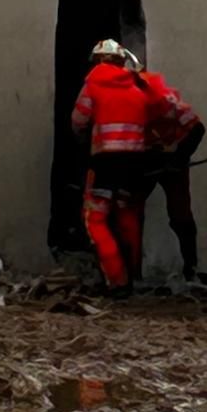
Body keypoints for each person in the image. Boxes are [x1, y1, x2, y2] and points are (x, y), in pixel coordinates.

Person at [71, 39, 162, 297]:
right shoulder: (137, 86)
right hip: (134, 163)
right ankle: (133, 276)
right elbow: (153, 122)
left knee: (96, 219)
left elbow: (78, 120)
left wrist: (82, 140)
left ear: (98, 61)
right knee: (128, 215)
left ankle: (117, 281)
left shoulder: (93, 84)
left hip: (104, 162)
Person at [138, 70, 206, 280]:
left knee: (181, 214)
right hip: (146, 158)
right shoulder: (130, 102)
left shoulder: (170, 103)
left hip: (173, 158)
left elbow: (197, 129)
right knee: (131, 210)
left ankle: (191, 268)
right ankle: (130, 271)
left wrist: (179, 158)